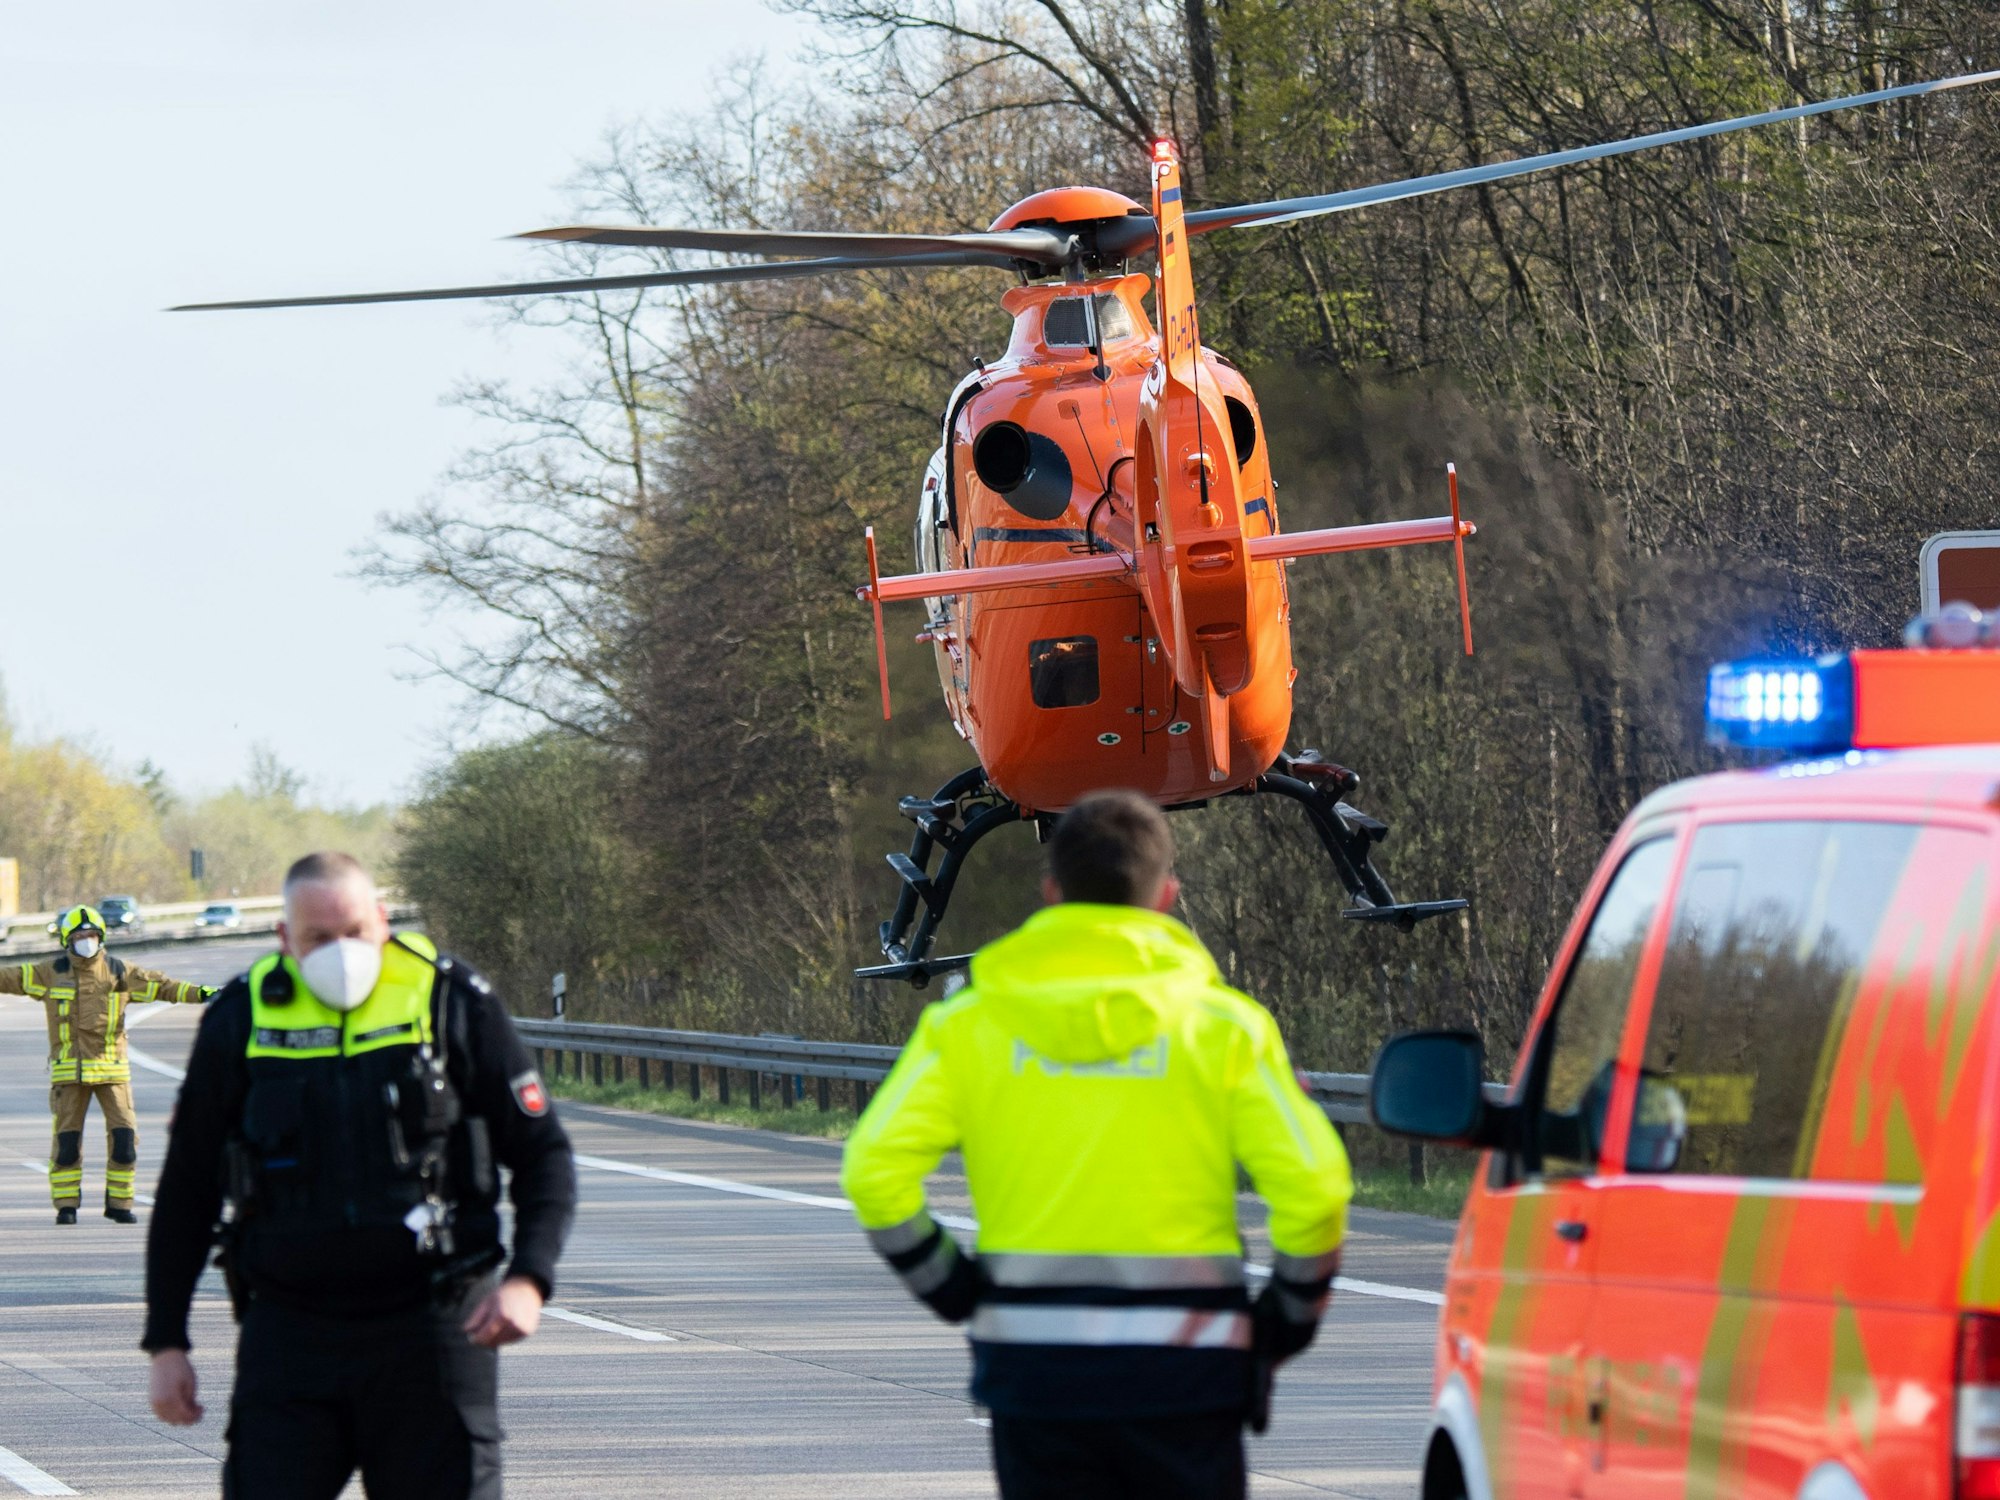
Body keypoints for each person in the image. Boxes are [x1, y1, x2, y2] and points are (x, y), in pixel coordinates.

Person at [841, 789, 1354, 1499]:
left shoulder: (969, 1022)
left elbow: (873, 1170)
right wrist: (1283, 1322)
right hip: (1189, 1378)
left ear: (1052, 892)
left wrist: (952, 1287)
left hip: (1036, 1377)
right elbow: (1317, 1187)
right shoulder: (1225, 1028)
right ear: (1166, 897)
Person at [142, 852, 576, 1500]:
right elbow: (186, 1191)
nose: (340, 952)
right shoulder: (241, 1018)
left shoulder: (451, 1000)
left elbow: (544, 1155)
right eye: (318, 939)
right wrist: (166, 1343)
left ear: (382, 920)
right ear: (285, 939)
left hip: (433, 1328)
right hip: (291, 1334)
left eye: (354, 933)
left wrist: (528, 1281)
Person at [0, 904, 211, 1224]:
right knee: (67, 1145)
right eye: (79, 936)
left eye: (92, 935)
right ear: (66, 941)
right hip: (69, 1075)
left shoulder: (120, 972)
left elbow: (164, 986)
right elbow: (8, 978)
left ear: (102, 937)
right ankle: (66, 1206)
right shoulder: (48, 972)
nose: (86, 940)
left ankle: (120, 1205)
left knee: (125, 1142)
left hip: (113, 1073)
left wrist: (203, 994)